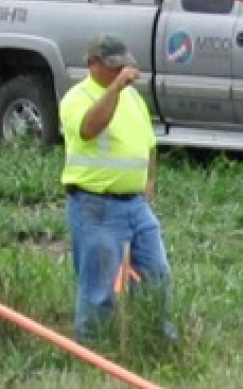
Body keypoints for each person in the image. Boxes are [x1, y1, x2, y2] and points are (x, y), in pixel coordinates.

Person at [60, 32, 173, 344]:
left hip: (135, 205)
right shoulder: (78, 98)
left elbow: (148, 143)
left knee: (156, 273)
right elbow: (89, 128)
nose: (119, 71)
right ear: (92, 64)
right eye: (112, 66)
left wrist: (149, 181)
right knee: (99, 285)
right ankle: (93, 349)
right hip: (96, 206)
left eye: (123, 66)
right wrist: (115, 87)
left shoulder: (134, 100)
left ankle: (157, 340)